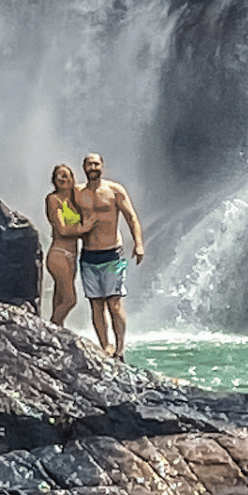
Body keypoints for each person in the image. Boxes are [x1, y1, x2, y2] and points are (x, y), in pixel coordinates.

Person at [74, 152, 143, 359]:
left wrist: (138, 244)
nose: (93, 167)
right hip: (88, 255)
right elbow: (63, 213)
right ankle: (105, 347)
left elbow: (131, 218)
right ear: (84, 167)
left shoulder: (114, 190)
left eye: (96, 163)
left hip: (114, 254)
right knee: (96, 304)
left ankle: (120, 348)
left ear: (102, 166)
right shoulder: (76, 192)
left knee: (114, 303)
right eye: (89, 164)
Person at [43, 163, 91, 326]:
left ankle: (56, 332)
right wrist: (85, 228)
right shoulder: (53, 199)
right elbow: (62, 229)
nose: (63, 178)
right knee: (70, 300)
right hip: (59, 255)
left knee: (60, 299)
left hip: (72, 257)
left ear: (72, 179)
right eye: (59, 175)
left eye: (66, 175)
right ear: (54, 180)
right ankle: (51, 328)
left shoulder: (75, 201)